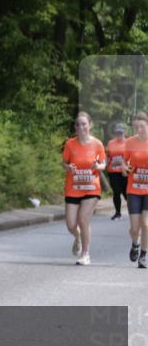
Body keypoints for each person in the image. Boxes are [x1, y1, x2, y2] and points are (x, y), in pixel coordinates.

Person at [61, 111, 106, 265]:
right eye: (78, 124)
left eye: (84, 124)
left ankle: (86, 254)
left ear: (90, 125)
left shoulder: (97, 144)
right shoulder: (70, 144)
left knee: (83, 219)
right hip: (73, 187)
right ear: (75, 127)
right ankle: (78, 236)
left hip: (91, 188)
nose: (81, 127)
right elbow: (64, 163)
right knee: (71, 224)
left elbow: (104, 164)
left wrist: (98, 166)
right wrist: (69, 167)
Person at [123, 112, 148, 268]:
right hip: (134, 188)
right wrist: (126, 168)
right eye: (135, 126)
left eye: (142, 126)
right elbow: (124, 164)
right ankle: (135, 243)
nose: (138, 129)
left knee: (146, 224)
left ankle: (143, 255)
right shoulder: (130, 142)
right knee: (134, 227)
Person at [106, 122, 128, 220]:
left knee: (126, 192)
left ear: (124, 132)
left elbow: (131, 158)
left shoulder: (128, 143)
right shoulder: (111, 143)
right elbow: (107, 156)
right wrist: (103, 165)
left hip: (124, 172)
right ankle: (118, 213)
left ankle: (134, 211)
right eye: (117, 133)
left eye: (121, 133)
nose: (119, 135)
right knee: (116, 191)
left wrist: (122, 163)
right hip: (113, 172)